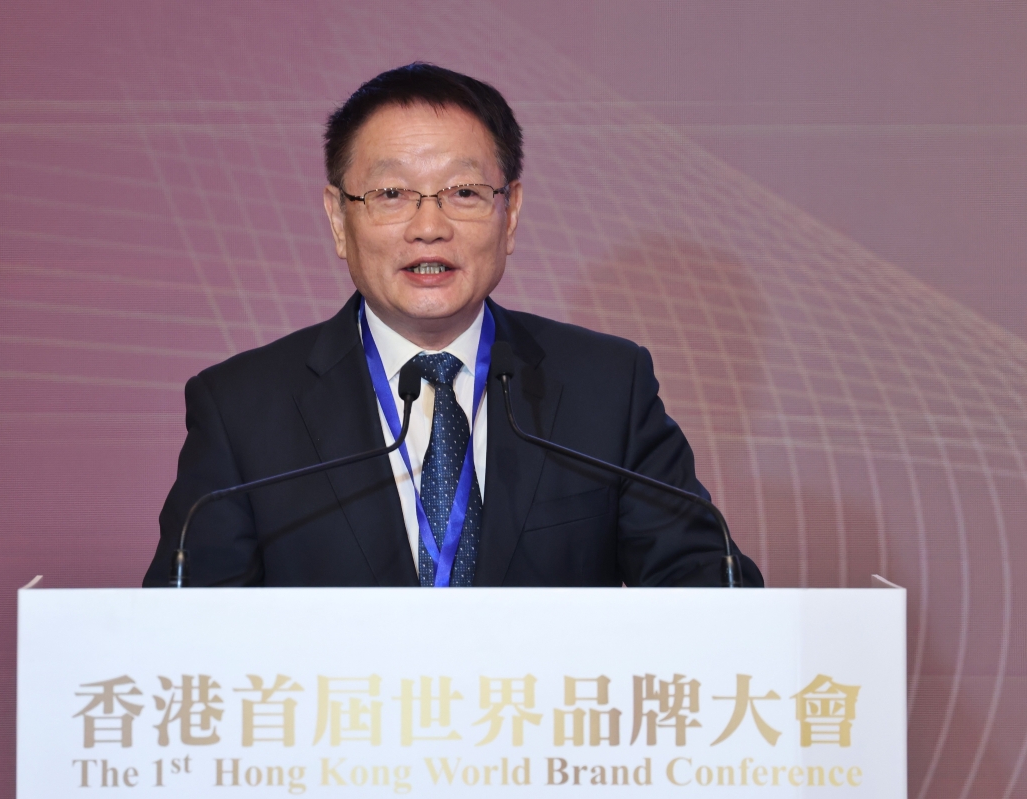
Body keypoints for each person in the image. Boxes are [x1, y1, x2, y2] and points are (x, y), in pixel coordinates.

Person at [143, 63, 762, 588]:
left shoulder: (606, 387)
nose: (429, 227)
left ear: (509, 214)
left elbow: (712, 593)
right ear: (338, 218)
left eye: (464, 192)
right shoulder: (243, 408)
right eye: (391, 194)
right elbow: (182, 639)